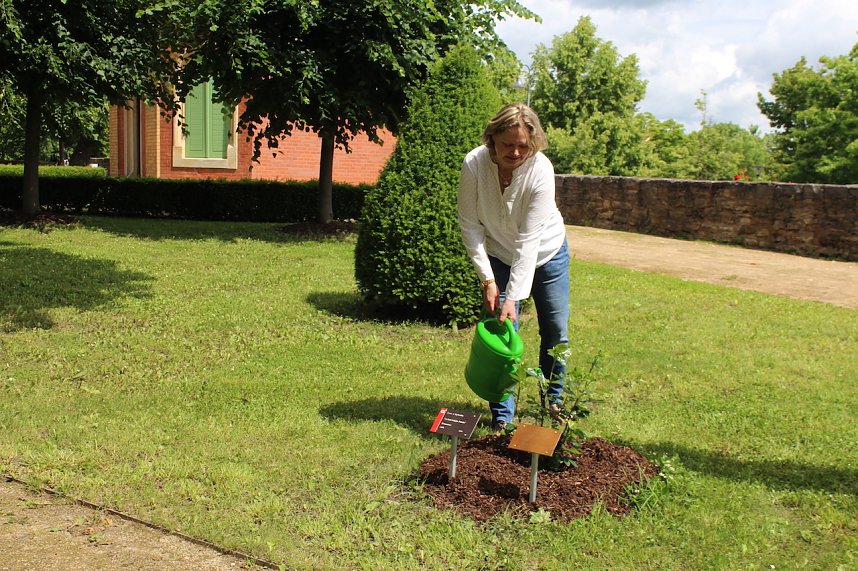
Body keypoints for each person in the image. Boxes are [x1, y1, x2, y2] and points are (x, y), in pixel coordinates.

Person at [457, 103, 571, 433]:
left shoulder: (541, 170)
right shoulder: (474, 164)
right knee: (502, 329)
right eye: (509, 145)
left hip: (547, 252)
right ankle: (503, 416)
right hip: (497, 252)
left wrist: (513, 297)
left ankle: (554, 400)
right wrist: (489, 280)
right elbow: (470, 224)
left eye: (524, 146)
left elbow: (529, 240)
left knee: (556, 329)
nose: (517, 152)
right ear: (492, 138)